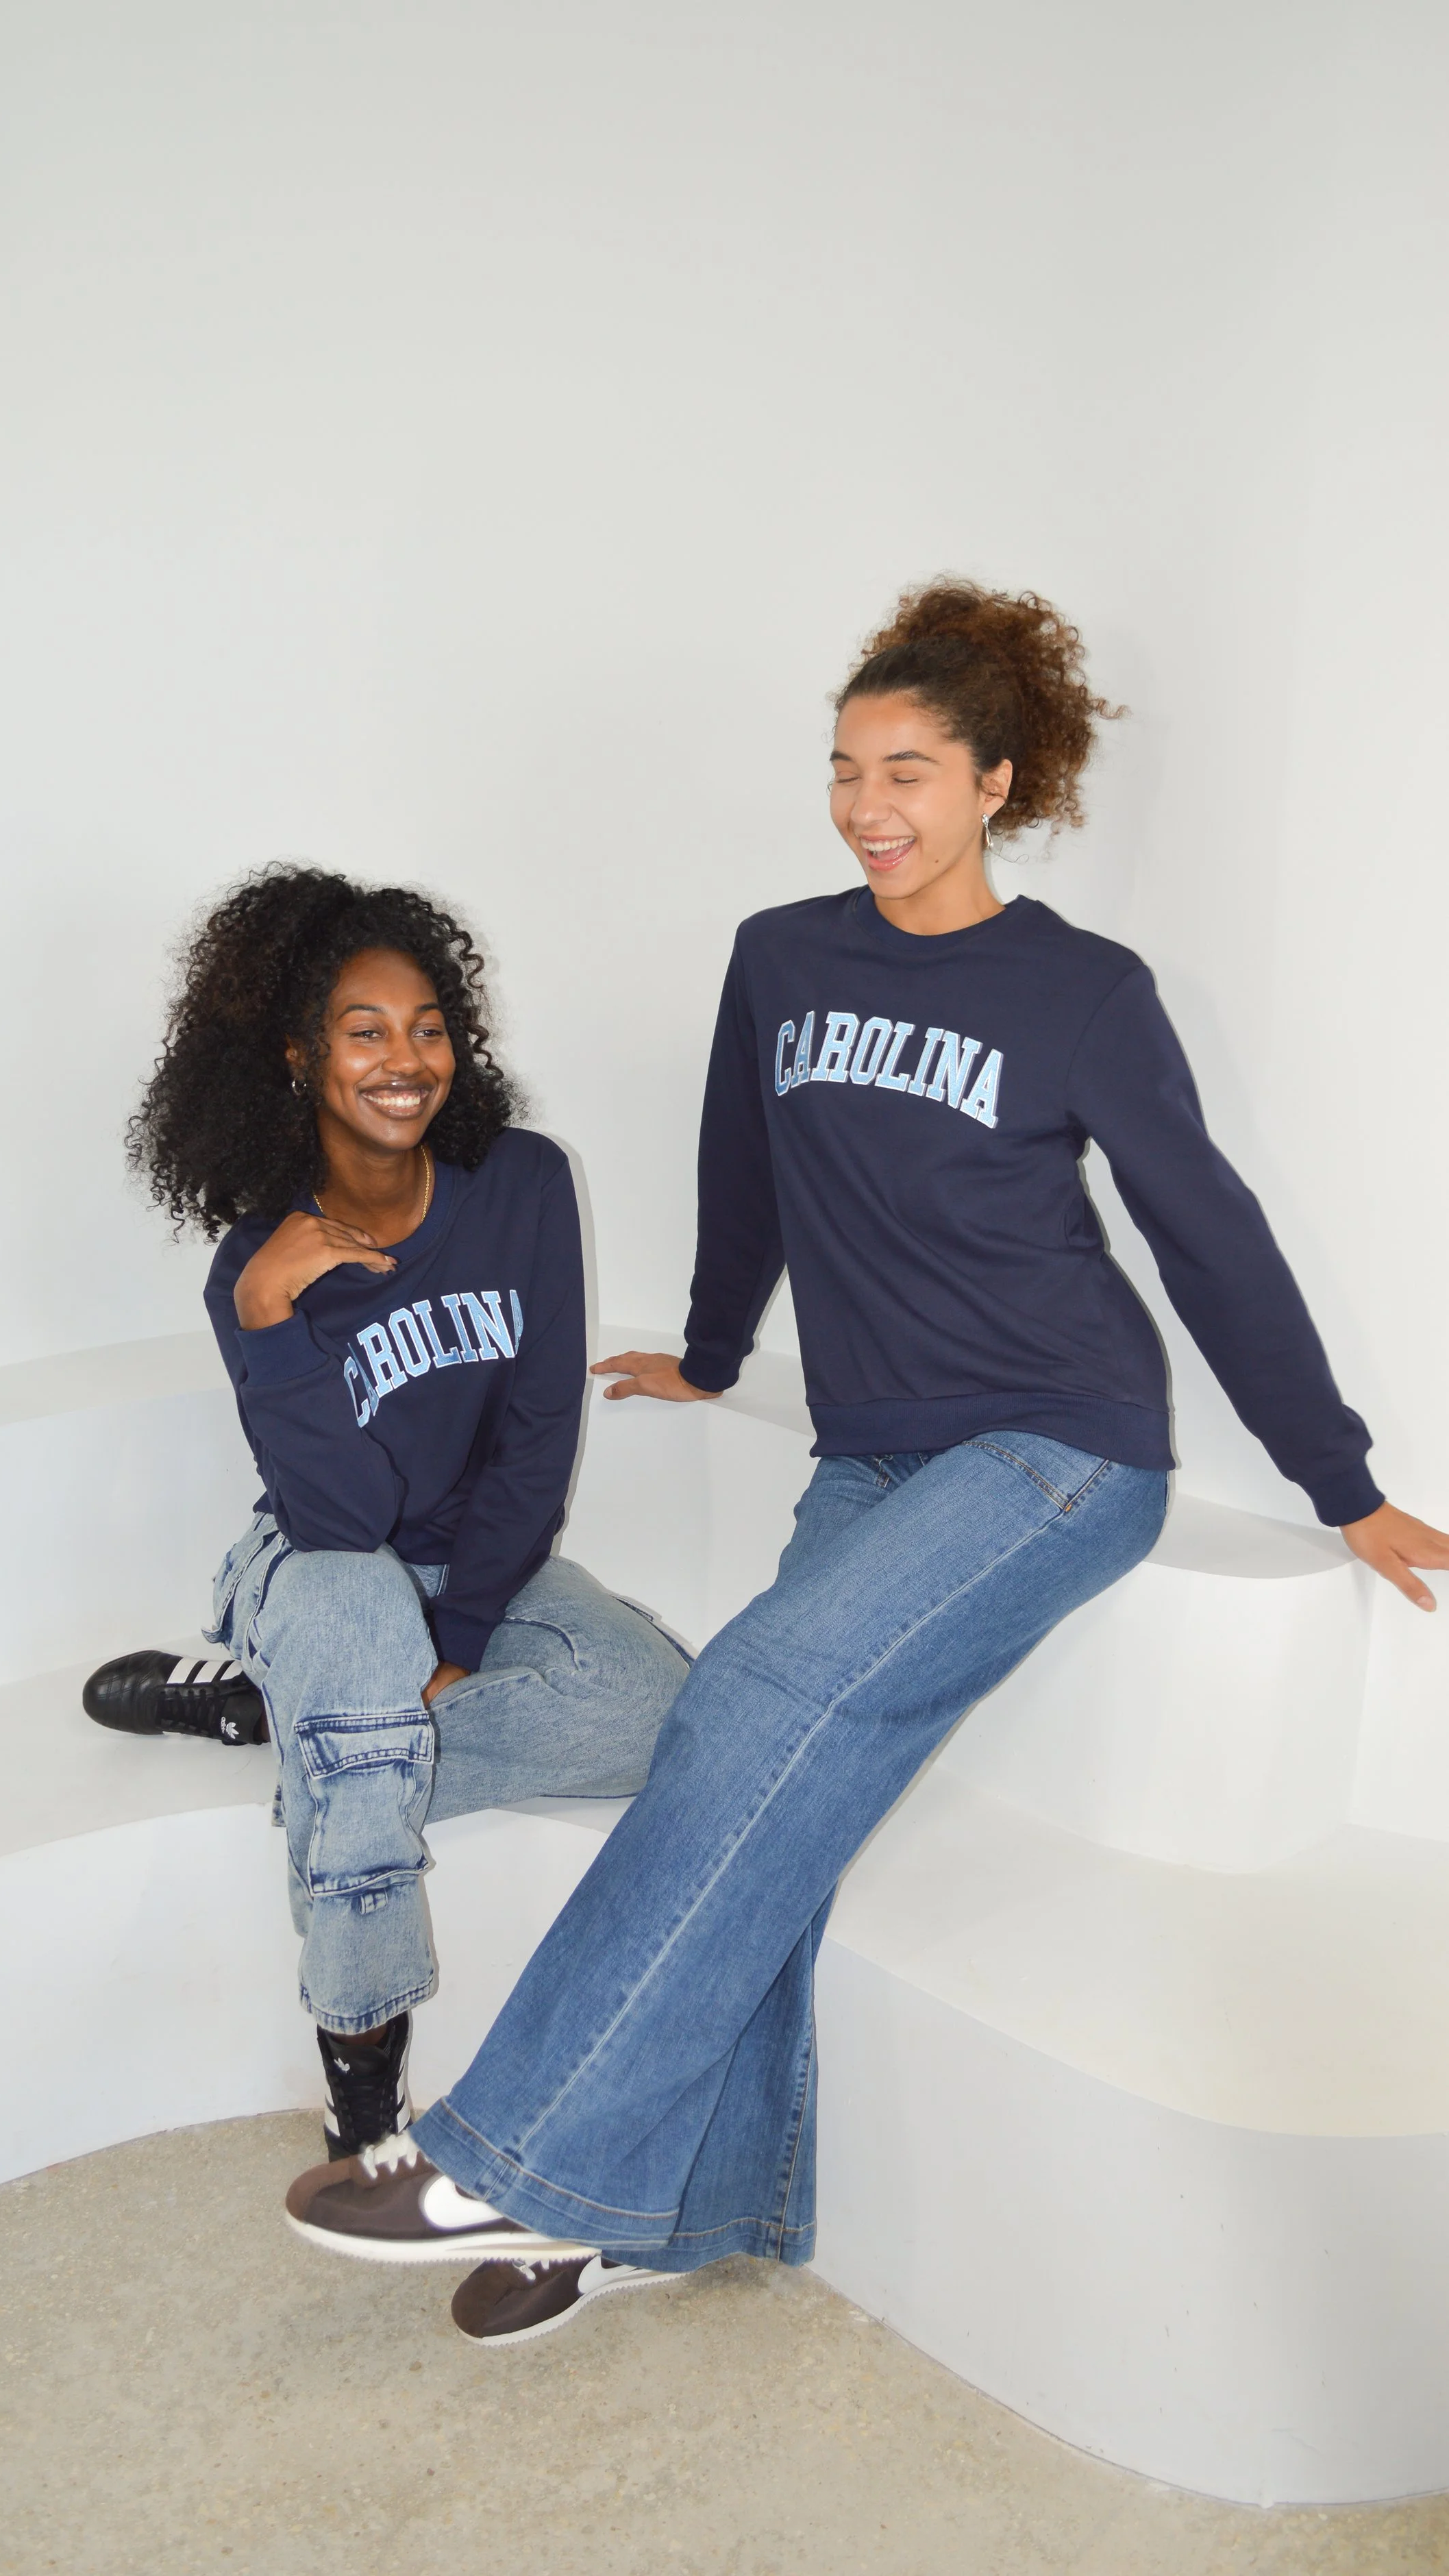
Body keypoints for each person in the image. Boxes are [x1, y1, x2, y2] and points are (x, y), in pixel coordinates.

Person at [284, 579, 1449, 2349]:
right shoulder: (783, 953)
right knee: (757, 1788)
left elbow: (1204, 1235)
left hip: (1058, 1447)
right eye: (842, 770)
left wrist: (1334, 1479)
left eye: (906, 770)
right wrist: (717, 1349)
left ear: (998, 783)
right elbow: (744, 1172)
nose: (865, 807)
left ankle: (514, 2151)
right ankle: (673, 2217)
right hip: (872, 1457)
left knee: (751, 1706)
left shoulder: (1081, 991)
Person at [120, 864, 689, 2162]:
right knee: (361, 1628)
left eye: (428, 1026)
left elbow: (539, 1430)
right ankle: (365, 2091)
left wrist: (470, 1627)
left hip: (470, 1565)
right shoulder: (256, 1268)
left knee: (659, 1714)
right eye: (365, 1031)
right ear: (300, 1058)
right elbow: (338, 1517)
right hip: (320, 1568)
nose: (405, 1058)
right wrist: (272, 1321)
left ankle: (296, 1723)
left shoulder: (525, 1184)